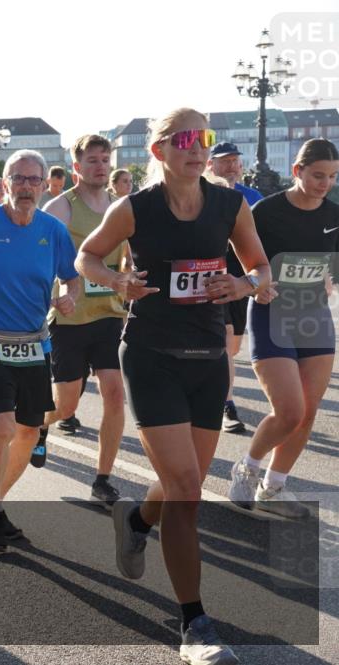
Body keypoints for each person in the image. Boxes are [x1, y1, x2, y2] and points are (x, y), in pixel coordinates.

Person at [77, 107, 271, 665]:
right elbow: (85, 255)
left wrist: (241, 283)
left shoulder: (229, 204)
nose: (198, 147)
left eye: (204, 138)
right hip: (151, 356)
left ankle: (137, 519)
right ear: (159, 150)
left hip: (208, 358)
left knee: (182, 479)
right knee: (185, 486)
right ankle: (195, 624)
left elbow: (260, 269)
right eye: (185, 138)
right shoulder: (133, 207)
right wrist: (115, 280)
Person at [0, 149, 79, 549]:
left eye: (33, 180)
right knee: (4, 425)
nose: (26, 187)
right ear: (3, 184)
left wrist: (67, 297)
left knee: (30, 430)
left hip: (34, 343)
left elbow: (71, 278)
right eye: (18, 179)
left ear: (45, 186)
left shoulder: (53, 230)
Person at [228, 138, 339, 519]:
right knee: (289, 410)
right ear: (297, 171)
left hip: (315, 319)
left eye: (332, 176)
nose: (325, 184)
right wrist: (253, 283)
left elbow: (334, 269)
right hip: (271, 315)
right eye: (318, 175)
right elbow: (234, 261)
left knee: (307, 412)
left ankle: (273, 487)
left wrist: (329, 279)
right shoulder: (266, 212)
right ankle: (248, 466)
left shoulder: (334, 215)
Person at [38, 135, 126, 507]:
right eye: (92, 160)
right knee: (67, 407)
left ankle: (103, 478)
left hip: (110, 315)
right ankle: (41, 425)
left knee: (115, 394)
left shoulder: (122, 207)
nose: (100, 166)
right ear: (76, 167)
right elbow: (40, 258)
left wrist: (131, 280)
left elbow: (128, 257)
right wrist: (53, 297)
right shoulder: (61, 207)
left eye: (105, 159)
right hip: (71, 318)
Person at [207, 141, 265, 434]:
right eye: (224, 160)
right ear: (211, 165)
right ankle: (227, 405)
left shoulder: (254, 198)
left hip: (244, 281)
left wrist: (261, 281)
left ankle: (215, 388)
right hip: (214, 280)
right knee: (226, 339)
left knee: (233, 345)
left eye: (235, 160)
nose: (231, 165)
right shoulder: (205, 195)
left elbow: (264, 241)